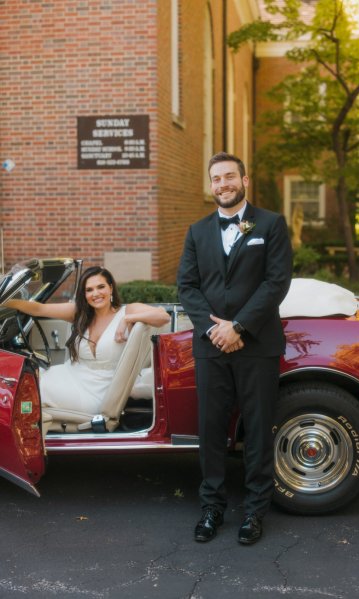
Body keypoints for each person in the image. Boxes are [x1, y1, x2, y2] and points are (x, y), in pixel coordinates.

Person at [177, 152, 292, 545]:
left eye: (229, 177)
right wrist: (216, 331)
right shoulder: (197, 231)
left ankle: (256, 511)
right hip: (211, 347)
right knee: (210, 429)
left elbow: (276, 283)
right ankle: (212, 507)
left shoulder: (271, 224)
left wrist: (239, 326)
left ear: (245, 180)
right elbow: (187, 287)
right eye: (216, 178)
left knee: (258, 429)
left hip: (256, 344)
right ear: (211, 185)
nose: (222, 184)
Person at [4, 266, 170, 415]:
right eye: (89, 290)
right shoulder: (79, 313)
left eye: (101, 287)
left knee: (30, 389)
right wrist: (5, 300)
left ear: (111, 288)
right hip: (69, 376)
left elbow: (163, 316)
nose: (96, 294)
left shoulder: (128, 311)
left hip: (99, 393)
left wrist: (127, 319)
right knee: (25, 381)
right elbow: (38, 308)